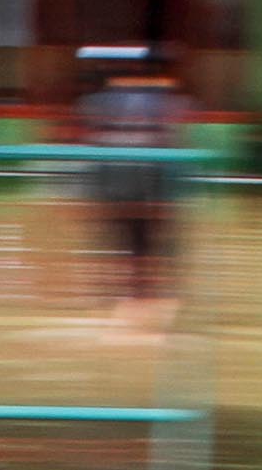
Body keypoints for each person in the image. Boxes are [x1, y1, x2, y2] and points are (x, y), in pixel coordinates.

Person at [75, 46, 188, 317]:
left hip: (122, 179)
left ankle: (121, 290)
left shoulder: (100, 102)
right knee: (145, 236)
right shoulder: (167, 102)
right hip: (144, 179)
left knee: (122, 234)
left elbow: (88, 135)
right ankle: (139, 290)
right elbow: (173, 136)